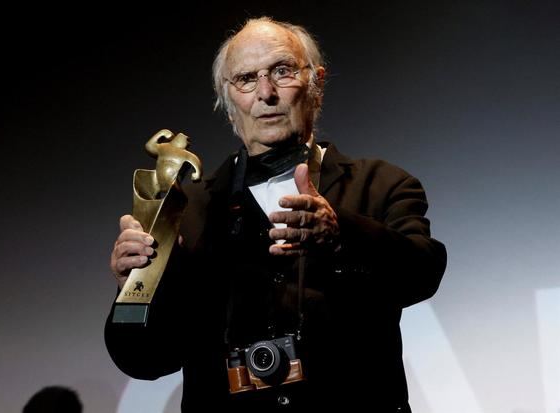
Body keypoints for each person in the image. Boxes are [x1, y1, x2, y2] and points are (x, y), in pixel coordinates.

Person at [105, 17, 447, 413]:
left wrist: (341, 237)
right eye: (246, 79)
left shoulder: (381, 183)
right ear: (228, 100)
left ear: (316, 85)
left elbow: (422, 272)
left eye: (282, 72)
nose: (265, 93)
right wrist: (134, 287)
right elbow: (145, 359)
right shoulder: (187, 210)